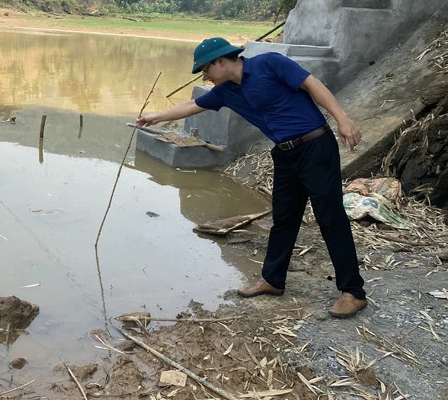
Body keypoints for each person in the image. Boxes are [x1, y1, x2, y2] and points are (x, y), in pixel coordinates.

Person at [137, 37, 368, 318]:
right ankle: (273, 280)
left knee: (330, 218)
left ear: (221, 61)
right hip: (284, 153)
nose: (206, 77)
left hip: (315, 146)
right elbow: (193, 105)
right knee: (283, 219)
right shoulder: (225, 92)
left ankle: (353, 292)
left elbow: (312, 84)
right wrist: (156, 117)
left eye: (205, 69)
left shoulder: (269, 63)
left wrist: (343, 119)